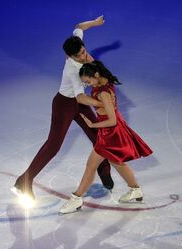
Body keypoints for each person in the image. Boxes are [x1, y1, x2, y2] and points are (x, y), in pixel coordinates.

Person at [12, 16, 113, 204]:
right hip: (65, 106)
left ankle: (103, 168)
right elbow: (81, 97)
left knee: (99, 136)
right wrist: (103, 104)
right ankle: (23, 181)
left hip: (78, 104)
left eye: (83, 52)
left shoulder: (76, 44)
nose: (83, 56)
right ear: (70, 57)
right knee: (53, 146)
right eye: (79, 56)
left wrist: (95, 23)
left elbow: (79, 27)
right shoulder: (73, 70)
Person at [59, 61, 152, 214]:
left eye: (88, 81)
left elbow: (112, 120)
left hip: (110, 132)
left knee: (91, 166)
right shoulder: (103, 81)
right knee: (116, 162)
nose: (88, 85)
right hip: (110, 131)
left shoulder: (103, 93)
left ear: (95, 75)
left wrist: (92, 124)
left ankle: (76, 198)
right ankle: (135, 190)